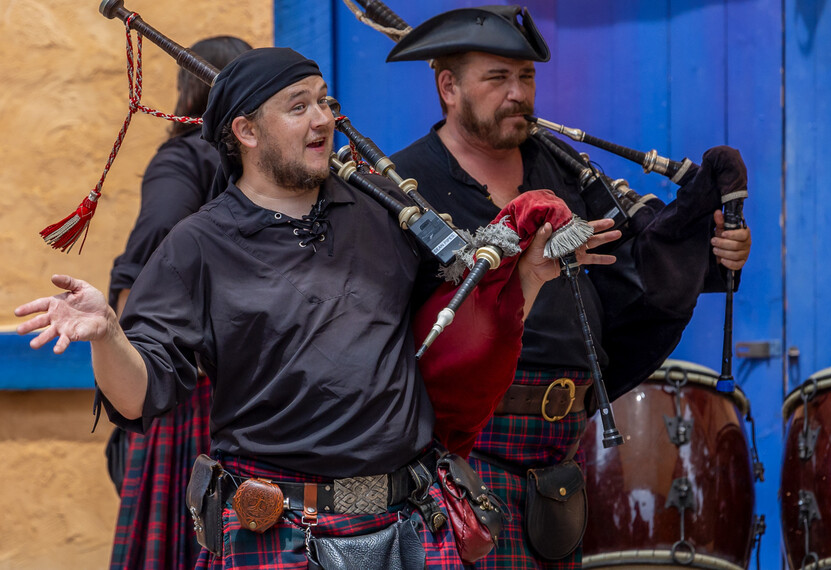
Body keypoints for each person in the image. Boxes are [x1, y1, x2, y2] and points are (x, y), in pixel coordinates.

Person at [16, 47, 616, 569]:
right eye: (299, 106)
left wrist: (529, 279)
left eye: (325, 102)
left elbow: (461, 319)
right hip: (279, 531)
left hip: (414, 519)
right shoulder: (198, 245)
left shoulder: (382, 212)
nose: (324, 119)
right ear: (247, 132)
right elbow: (137, 396)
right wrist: (106, 336)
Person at [387, 5, 753, 568]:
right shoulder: (404, 185)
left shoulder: (562, 169)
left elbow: (635, 260)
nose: (518, 93)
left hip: (560, 455)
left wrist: (711, 250)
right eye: (497, 78)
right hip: (462, 451)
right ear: (448, 87)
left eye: (526, 77)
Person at [105, 35, 252, 570]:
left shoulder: (185, 157)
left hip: (202, 389)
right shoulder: (199, 162)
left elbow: (155, 243)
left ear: (188, 92)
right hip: (192, 384)